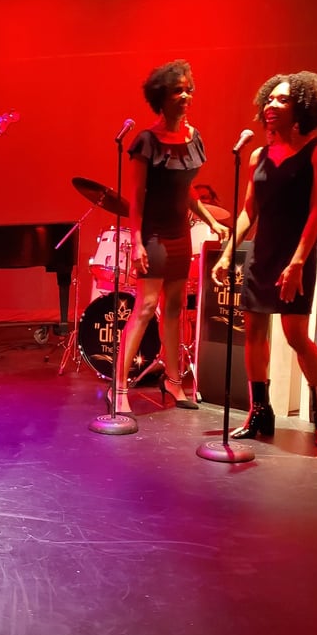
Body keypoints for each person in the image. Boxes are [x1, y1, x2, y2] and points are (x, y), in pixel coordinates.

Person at [212, 71, 317, 446]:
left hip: (295, 254)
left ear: (302, 107)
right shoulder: (257, 156)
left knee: (295, 335)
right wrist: (228, 253)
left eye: (282, 99)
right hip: (262, 253)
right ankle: (259, 412)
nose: (272, 105)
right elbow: (249, 211)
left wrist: (298, 262)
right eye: (270, 98)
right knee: (253, 332)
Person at [114, 60, 230, 414]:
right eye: (178, 90)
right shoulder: (147, 142)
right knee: (147, 306)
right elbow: (137, 198)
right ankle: (118, 387)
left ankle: (174, 382)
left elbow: (186, 190)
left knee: (175, 309)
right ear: (161, 97)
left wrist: (210, 220)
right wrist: (137, 242)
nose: (185, 96)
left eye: (188, 89)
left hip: (180, 233)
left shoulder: (194, 138)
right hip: (154, 233)